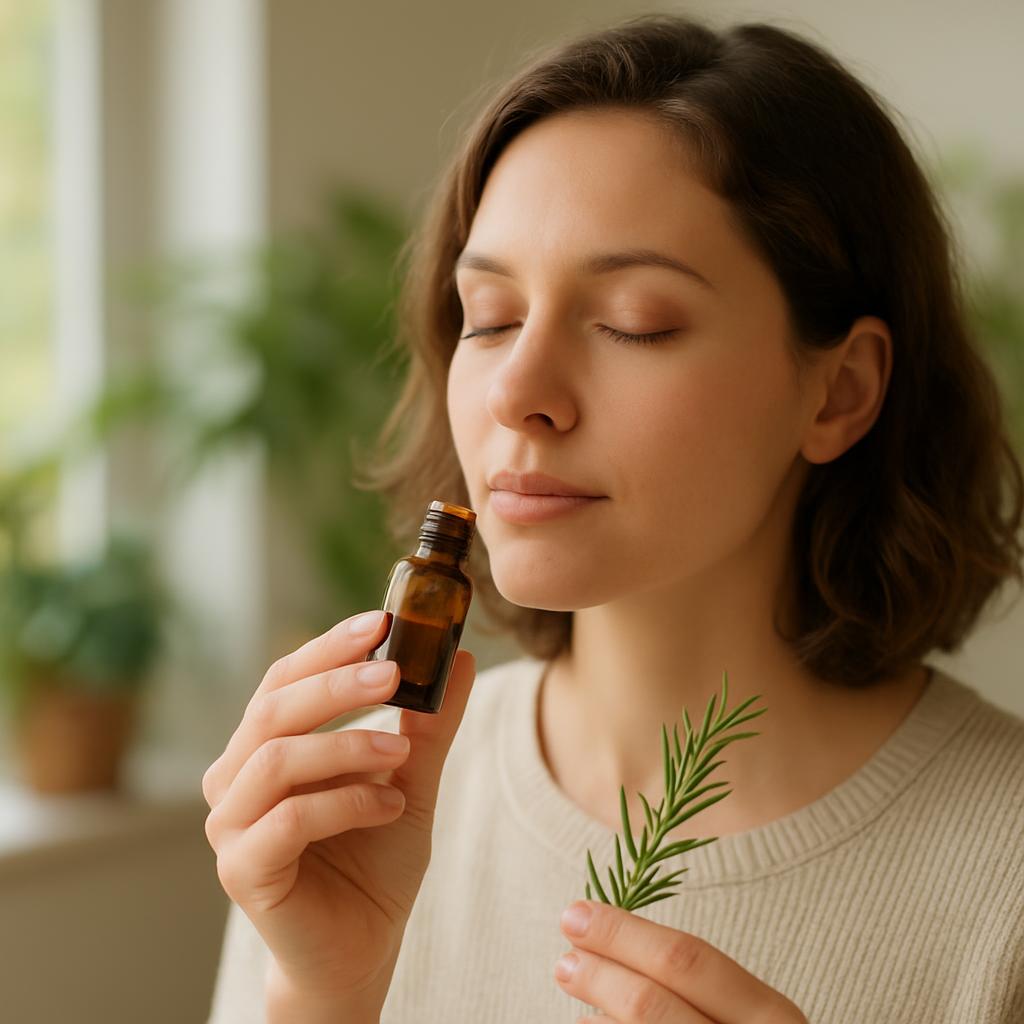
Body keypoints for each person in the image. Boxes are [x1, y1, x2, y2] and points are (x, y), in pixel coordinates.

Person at [203, 12, 1024, 1023]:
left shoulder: (1005, 877)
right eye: (490, 318)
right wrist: (319, 996)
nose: (518, 392)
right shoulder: (358, 814)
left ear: (839, 391)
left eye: (633, 322)